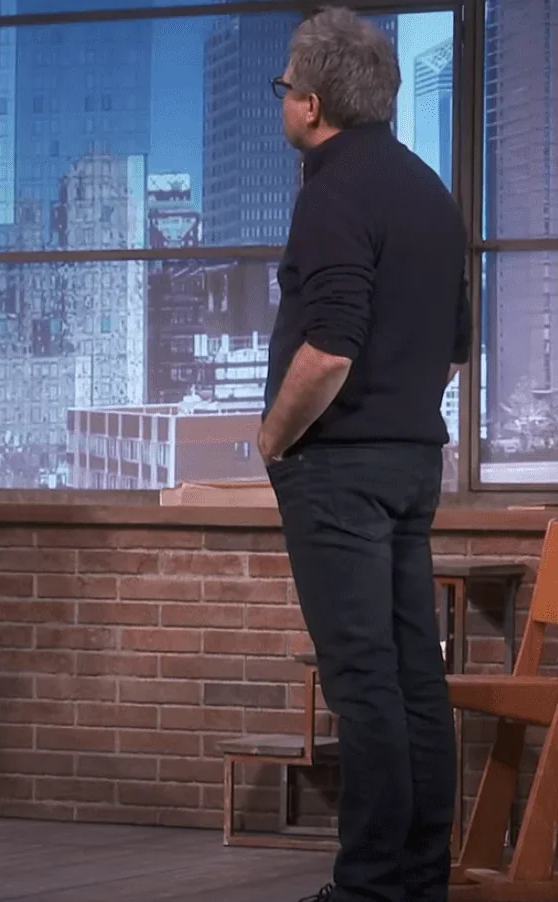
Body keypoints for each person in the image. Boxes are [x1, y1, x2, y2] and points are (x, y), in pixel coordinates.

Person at [258, 9, 470, 902]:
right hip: (411, 463)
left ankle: (371, 887)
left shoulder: (333, 190)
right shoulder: (428, 189)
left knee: (364, 683)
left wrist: (272, 437)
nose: (282, 102)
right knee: (414, 674)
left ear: (310, 101)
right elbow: (455, 343)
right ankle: (416, 879)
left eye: (283, 88)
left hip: (340, 468)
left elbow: (332, 345)